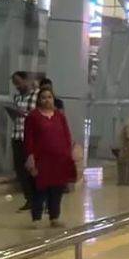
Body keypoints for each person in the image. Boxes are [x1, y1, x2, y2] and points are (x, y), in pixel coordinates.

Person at [23, 88, 76, 228]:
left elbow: (67, 136)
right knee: (40, 190)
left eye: (49, 97)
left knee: (57, 190)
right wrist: (30, 157)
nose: (47, 100)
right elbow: (28, 139)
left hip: (59, 160)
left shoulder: (59, 116)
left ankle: (54, 217)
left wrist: (68, 154)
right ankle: (36, 218)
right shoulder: (33, 117)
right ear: (39, 100)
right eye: (43, 97)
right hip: (41, 160)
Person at [9, 72, 39, 211]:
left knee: (31, 169)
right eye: (15, 84)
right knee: (20, 170)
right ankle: (29, 198)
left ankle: (39, 198)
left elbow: (39, 115)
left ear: (26, 80)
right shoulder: (17, 97)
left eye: (18, 82)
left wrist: (25, 114)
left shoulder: (36, 95)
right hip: (17, 135)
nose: (17, 86)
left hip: (30, 138)